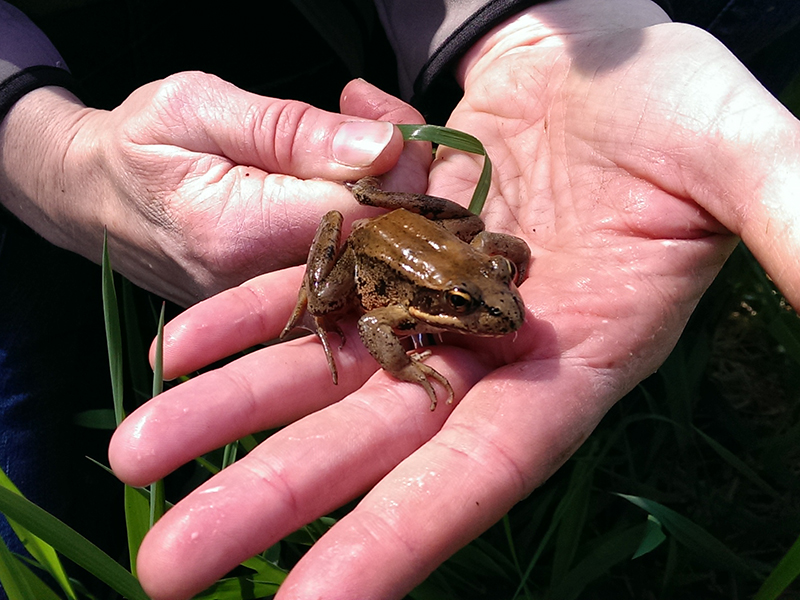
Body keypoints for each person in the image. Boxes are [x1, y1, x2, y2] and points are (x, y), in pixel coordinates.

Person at [2, 1, 800, 600]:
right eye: (472, 308)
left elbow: (499, 251)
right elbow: (382, 319)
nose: (496, 315)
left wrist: (524, 24)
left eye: (486, 302)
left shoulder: (483, 276)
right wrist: (42, 145)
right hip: (360, 248)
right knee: (45, 456)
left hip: (382, 69)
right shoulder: (407, 304)